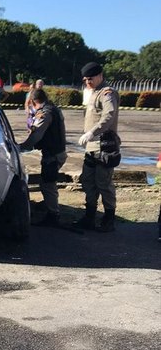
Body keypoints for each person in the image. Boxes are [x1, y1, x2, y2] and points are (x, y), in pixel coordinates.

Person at [73, 62, 121, 232]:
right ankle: (89, 217)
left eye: (90, 79)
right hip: (92, 147)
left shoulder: (106, 93)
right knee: (88, 181)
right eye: (85, 79)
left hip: (104, 145)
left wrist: (92, 131)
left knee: (103, 183)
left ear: (100, 75)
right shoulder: (93, 92)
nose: (87, 82)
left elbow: (109, 115)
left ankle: (109, 219)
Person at [19, 89, 67, 226]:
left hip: (52, 155)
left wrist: (22, 147)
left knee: (48, 185)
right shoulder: (54, 109)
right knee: (48, 183)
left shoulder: (44, 113)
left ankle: (53, 215)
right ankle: (49, 206)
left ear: (33, 101)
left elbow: (37, 135)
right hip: (58, 152)